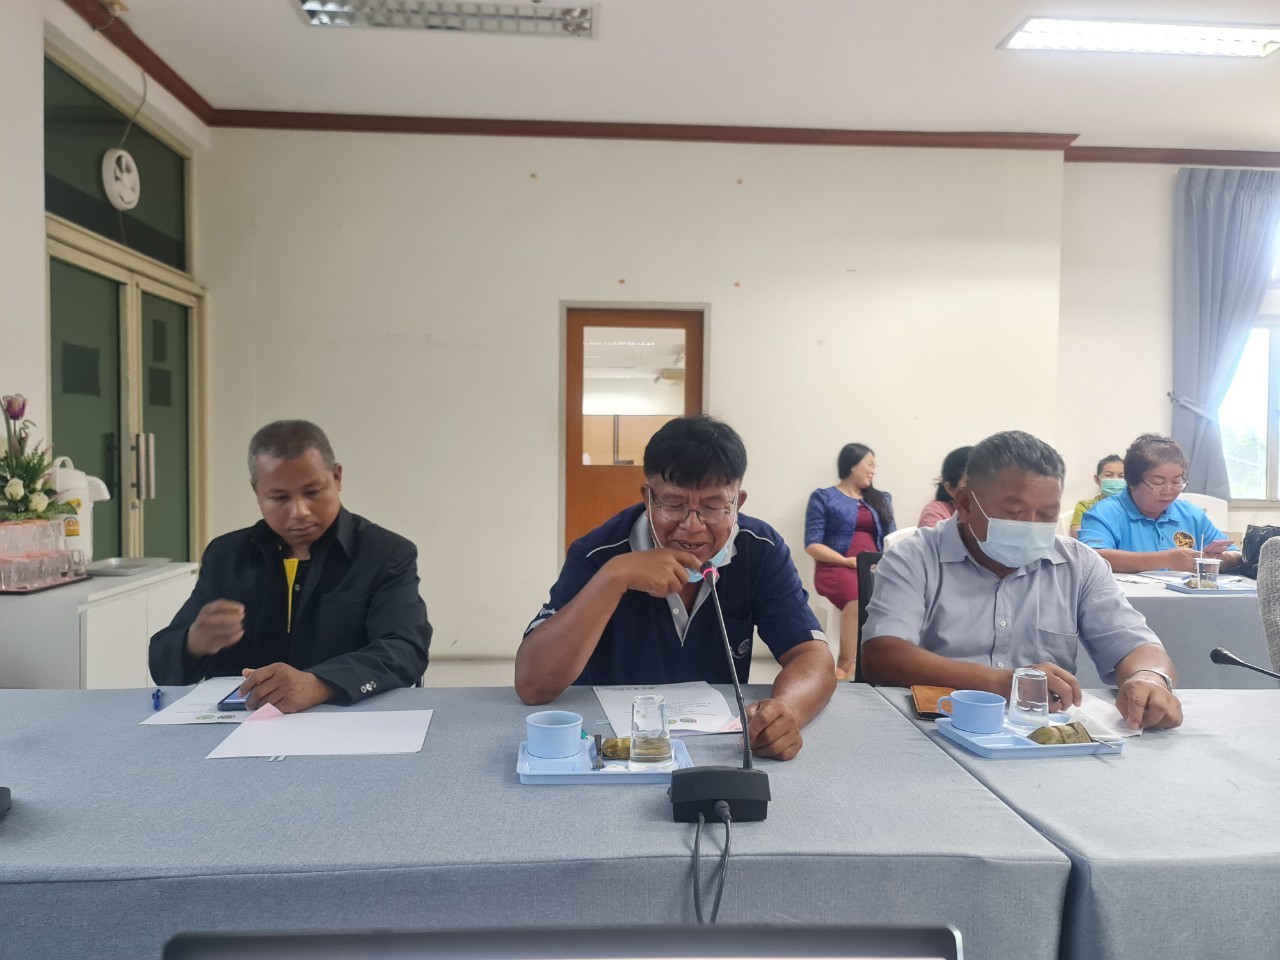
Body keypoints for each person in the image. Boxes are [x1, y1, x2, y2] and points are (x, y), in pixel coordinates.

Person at [517, 415, 835, 761]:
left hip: (719, 750)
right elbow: (532, 685)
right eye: (673, 504)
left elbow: (812, 656)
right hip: (613, 747)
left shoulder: (760, 549)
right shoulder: (598, 553)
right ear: (647, 498)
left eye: (713, 507)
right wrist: (613, 578)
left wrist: (789, 710)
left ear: (738, 502)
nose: (692, 526)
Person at [861, 430, 1182, 731]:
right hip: (933, 729)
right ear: (965, 504)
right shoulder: (914, 558)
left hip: (1041, 734)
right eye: (1014, 513)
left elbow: (1136, 645)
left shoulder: (1079, 564)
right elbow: (883, 655)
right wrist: (997, 682)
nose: (1031, 526)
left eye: (1046, 515)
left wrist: (1149, 679)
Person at [149, 420, 431, 712]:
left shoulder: (384, 553)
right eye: (279, 497)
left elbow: (404, 648)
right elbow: (162, 666)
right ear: (257, 491)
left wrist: (319, 684)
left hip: (342, 718)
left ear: (337, 477)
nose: (299, 512)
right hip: (237, 723)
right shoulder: (227, 555)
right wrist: (193, 642)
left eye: (313, 492)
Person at [1078, 434, 1241, 574]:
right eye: (1157, 482)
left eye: (1176, 482)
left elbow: (1235, 555)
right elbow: (1092, 559)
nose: (1168, 490)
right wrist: (1165, 560)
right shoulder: (1104, 513)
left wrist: (1212, 559)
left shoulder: (1191, 515)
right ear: (1132, 481)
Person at [804, 443, 896, 681]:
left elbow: (891, 538)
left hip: (873, 567)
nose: (873, 470)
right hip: (834, 567)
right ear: (852, 464)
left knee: (894, 596)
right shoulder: (824, 498)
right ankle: (847, 665)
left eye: (874, 466)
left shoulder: (881, 499)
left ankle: (883, 662)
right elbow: (812, 545)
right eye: (869, 464)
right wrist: (846, 561)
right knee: (857, 597)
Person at [1068, 454, 1125, 538]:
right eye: (1109, 475)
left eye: (1121, 476)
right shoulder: (1085, 506)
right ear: (1097, 479)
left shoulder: (1132, 506)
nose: (1115, 479)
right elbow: (1078, 534)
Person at [917, 446, 973, 528]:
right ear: (950, 488)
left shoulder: (987, 508)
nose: (982, 490)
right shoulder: (935, 513)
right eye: (972, 484)